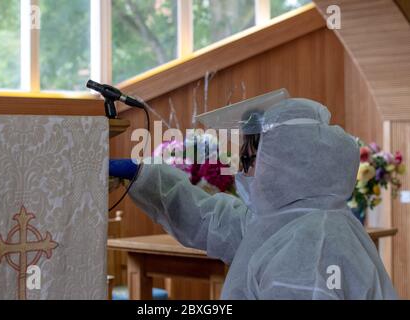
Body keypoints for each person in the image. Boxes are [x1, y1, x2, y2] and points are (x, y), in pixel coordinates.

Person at [109, 90, 397, 299]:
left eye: (247, 161)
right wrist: (143, 175)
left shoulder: (312, 247)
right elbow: (211, 221)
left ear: (284, 164)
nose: (242, 174)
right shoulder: (292, 221)